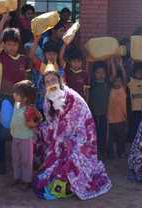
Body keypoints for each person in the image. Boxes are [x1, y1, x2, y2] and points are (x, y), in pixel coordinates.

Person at [33, 68, 111, 200]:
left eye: (53, 80)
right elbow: (52, 121)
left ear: (60, 81)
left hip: (82, 135)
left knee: (70, 149)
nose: (51, 83)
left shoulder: (71, 97)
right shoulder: (48, 97)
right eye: (47, 82)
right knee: (39, 135)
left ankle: (71, 181)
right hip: (63, 132)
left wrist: (60, 137)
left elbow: (73, 122)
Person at [0, 19, 31, 174]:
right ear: (3, 44)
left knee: (21, 130)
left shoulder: (23, 59)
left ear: (18, 44)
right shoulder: (1, 56)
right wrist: (4, 18)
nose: (11, 47)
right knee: (3, 131)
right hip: (4, 98)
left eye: (14, 44)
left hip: (21, 101)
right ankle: (1, 162)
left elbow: (27, 81)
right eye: (8, 44)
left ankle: (21, 162)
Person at [10, 80, 41, 190]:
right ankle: (17, 177)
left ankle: (27, 180)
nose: (14, 95)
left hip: (26, 138)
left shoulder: (30, 108)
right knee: (16, 159)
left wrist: (34, 122)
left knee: (26, 161)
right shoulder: (16, 104)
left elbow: (39, 118)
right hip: (15, 137)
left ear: (25, 98)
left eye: (17, 94)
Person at [89, 61, 111, 158]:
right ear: (94, 74)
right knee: (94, 132)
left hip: (104, 113)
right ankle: (95, 150)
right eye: (98, 72)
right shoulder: (91, 84)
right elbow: (88, 72)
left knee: (103, 132)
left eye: (103, 72)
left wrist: (112, 62)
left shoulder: (107, 84)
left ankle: (103, 150)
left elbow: (113, 74)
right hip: (93, 112)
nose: (101, 75)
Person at [127, 61, 142, 141]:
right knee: (135, 129)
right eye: (138, 72)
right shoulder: (131, 82)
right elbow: (126, 75)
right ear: (134, 73)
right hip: (136, 111)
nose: (140, 73)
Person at [107, 60, 127, 159]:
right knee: (111, 139)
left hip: (122, 119)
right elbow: (113, 76)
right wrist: (112, 63)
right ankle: (112, 154)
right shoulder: (110, 90)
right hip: (111, 120)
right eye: (115, 81)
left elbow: (124, 77)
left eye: (119, 81)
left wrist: (120, 66)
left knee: (121, 138)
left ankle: (121, 152)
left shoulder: (123, 88)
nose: (117, 82)